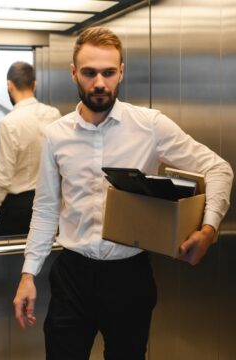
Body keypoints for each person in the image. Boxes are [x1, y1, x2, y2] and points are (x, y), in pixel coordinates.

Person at [13, 27, 233, 360]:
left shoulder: (150, 125)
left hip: (129, 276)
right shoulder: (55, 135)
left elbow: (218, 168)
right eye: (89, 72)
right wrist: (29, 274)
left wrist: (209, 228)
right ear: (74, 73)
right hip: (72, 275)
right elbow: (45, 208)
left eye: (108, 72)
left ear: (121, 73)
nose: (99, 82)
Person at [0, 61, 61, 238]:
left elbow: (3, 178)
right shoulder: (54, 114)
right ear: (34, 85)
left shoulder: (9, 123)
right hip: (49, 204)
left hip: (18, 209)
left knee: (3, 261)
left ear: (9, 85)